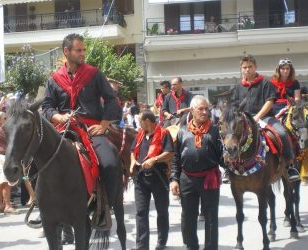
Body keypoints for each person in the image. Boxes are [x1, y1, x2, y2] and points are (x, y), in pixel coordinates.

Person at [42, 33, 121, 207]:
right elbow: (47, 107)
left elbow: (111, 100)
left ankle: (106, 205)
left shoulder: (94, 74)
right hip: (63, 129)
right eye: (78, 50)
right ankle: (43, 206)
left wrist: (103, 125)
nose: (82, 53)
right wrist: (60, 116)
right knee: (39, 164)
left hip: (91, 128)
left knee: (109, 164)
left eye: (83, 50)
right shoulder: (54, 80)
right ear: (66, 51)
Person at [233, 55, 298, 181]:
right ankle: (228, 166)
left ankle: (290, 166)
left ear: (255, 67)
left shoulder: (265, 82)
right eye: (244, 67)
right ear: (241, 69)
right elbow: (235, 105)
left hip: (265, 118)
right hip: (244, 120)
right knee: (229, 135)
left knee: (282, 133)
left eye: (250, 67)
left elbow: (270, 101)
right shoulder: (238, 87)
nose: (247, 70)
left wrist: (257, 117)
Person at [170, 95, 222, 250]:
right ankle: (191, 246)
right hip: (187, 179)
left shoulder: (216, 131)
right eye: (201, 109)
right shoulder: (182, 132)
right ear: (192, 110)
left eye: (207, 109)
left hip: (209, 178)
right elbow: (176, 158)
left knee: (211, 217)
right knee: (187, 216)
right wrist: (174, 179)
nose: (205, 112)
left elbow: (223, 158)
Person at [129, 111, 174, 250]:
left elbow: (170, 153)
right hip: (141, 179)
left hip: (159, 178)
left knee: (162, 211)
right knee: (141, 212)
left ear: (147, 120)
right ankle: (142, 246)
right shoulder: (140, 135)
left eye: (140, 121)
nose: (139, 124)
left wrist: (154, 159)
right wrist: (132, 162)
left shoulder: (164, 133)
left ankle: (161, 242)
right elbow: (132, 151)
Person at [0, 111, 19, 214]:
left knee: (2, 183)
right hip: (1, 157)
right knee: (5, 182)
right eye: (5, 118)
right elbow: (11, 140)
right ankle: (6, 205)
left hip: (1, 157)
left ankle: (0, 205)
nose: (7, 120)